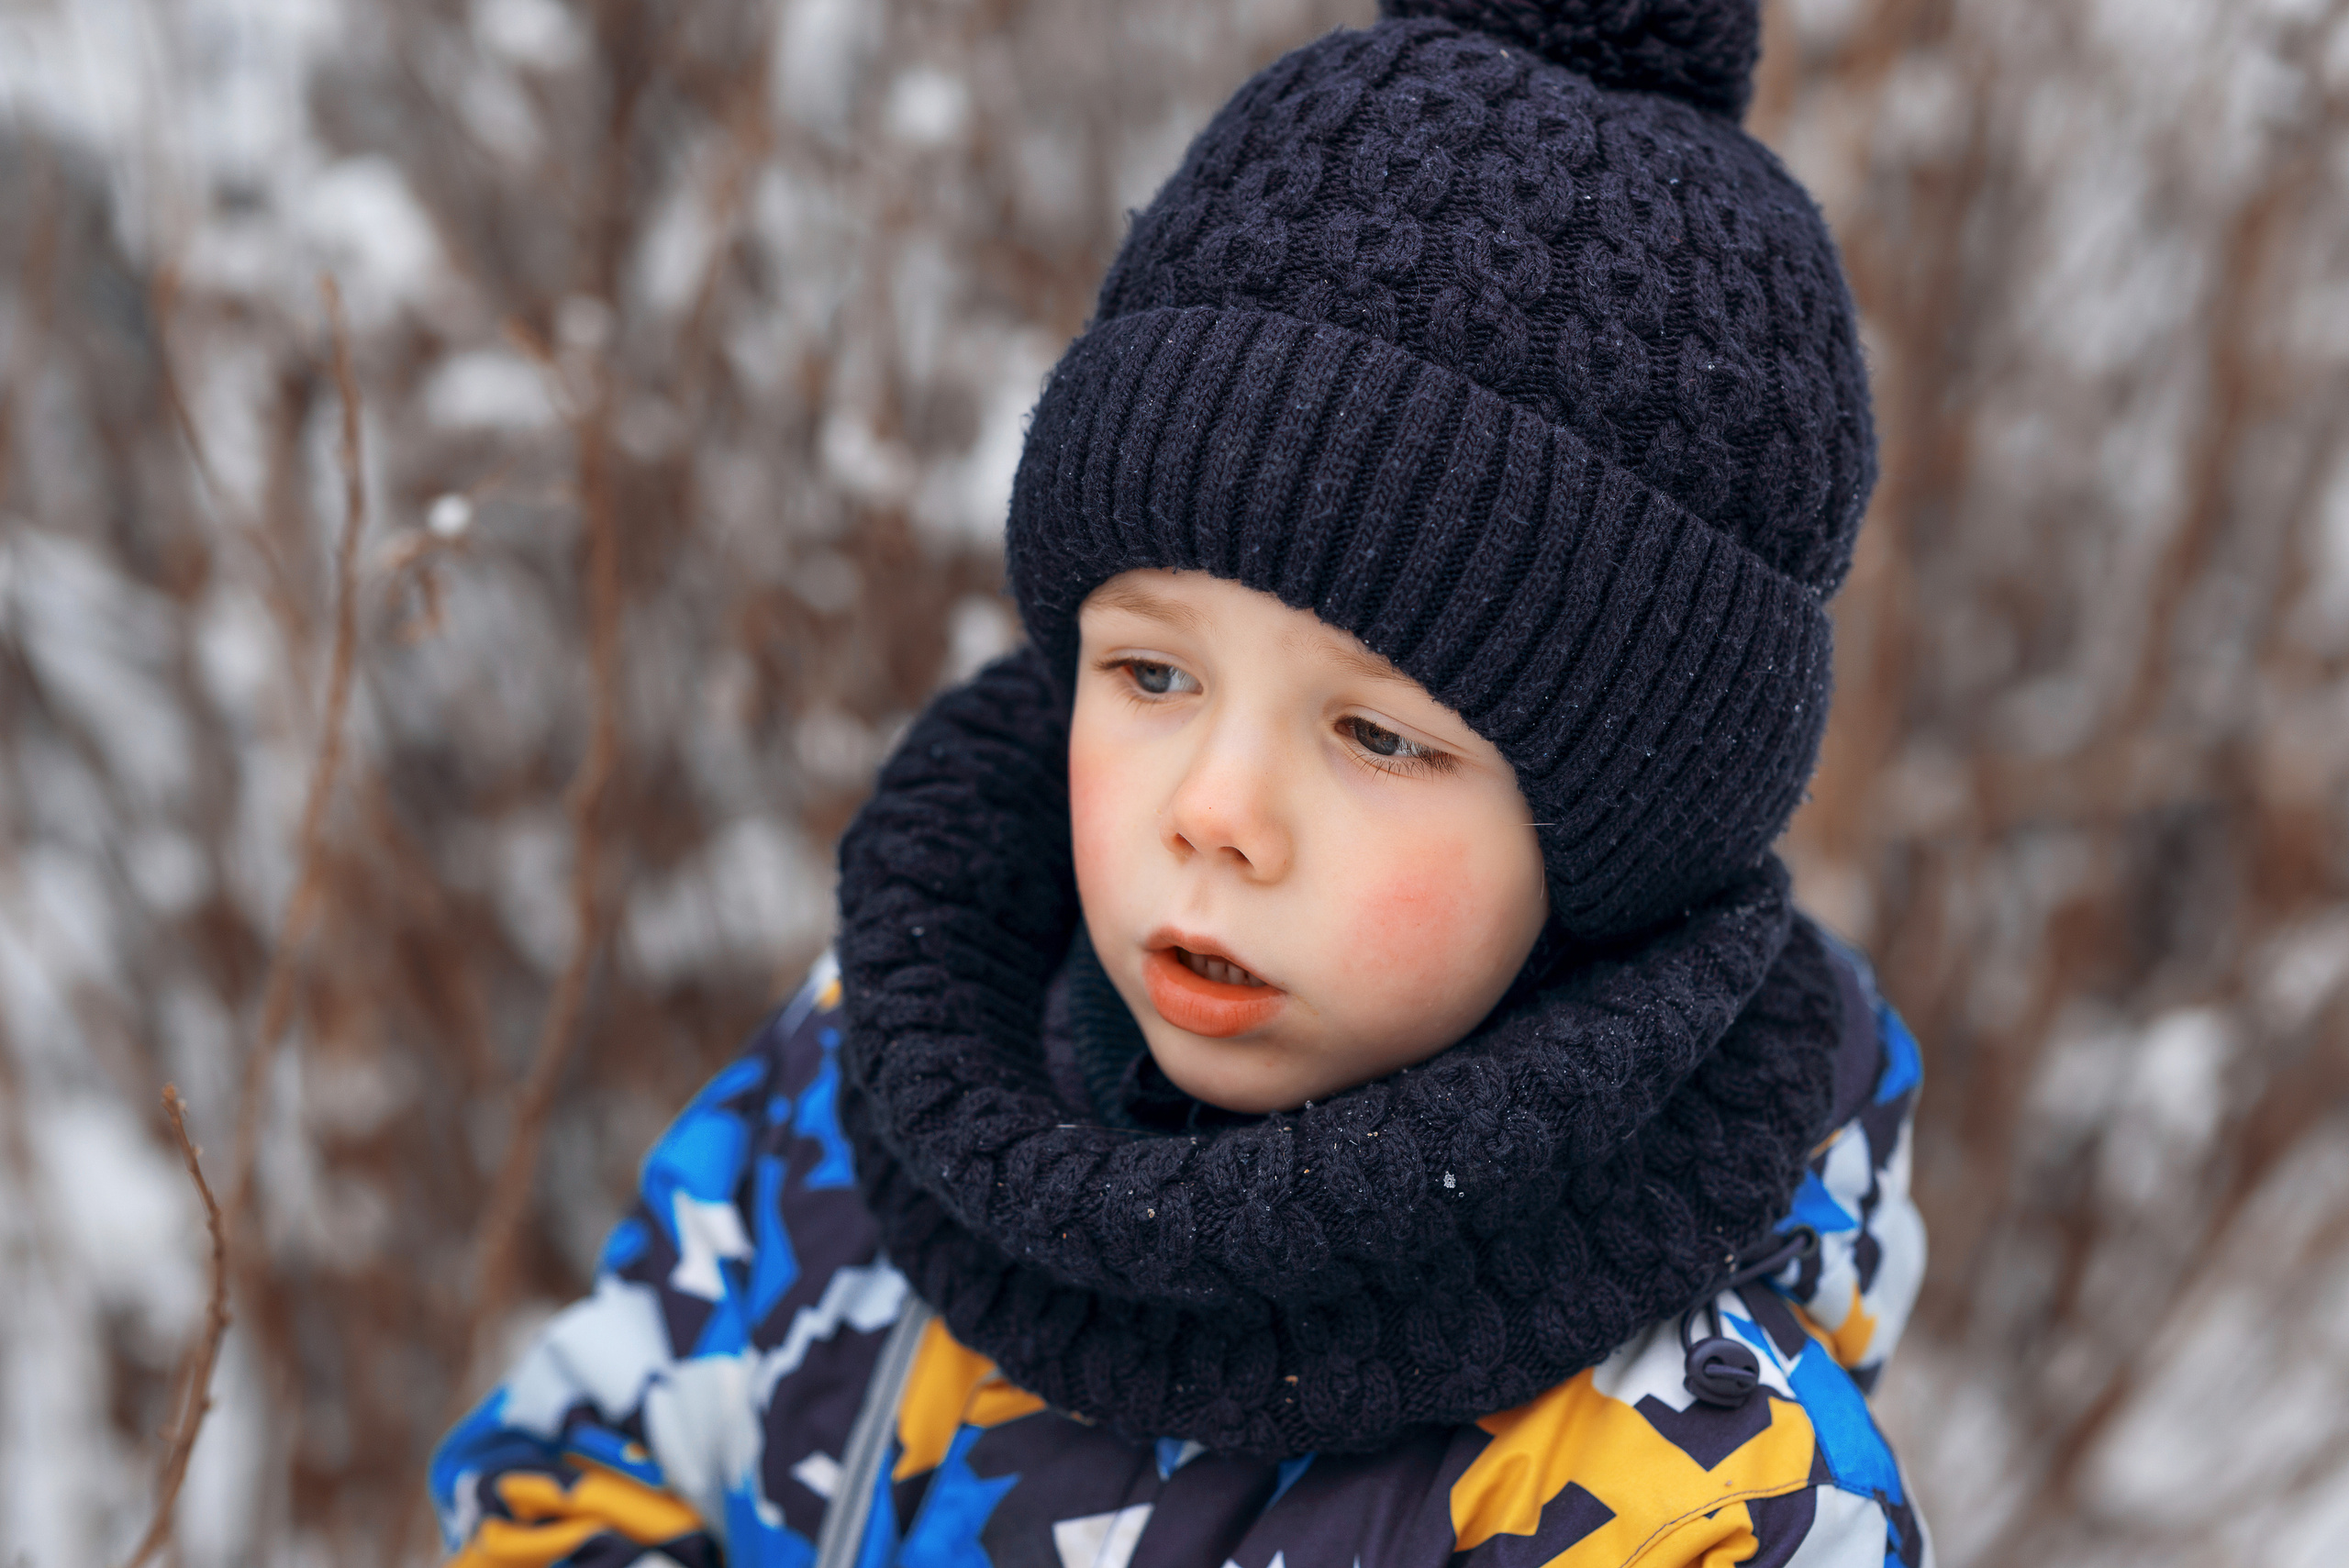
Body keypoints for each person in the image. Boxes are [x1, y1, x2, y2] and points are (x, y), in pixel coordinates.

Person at [430, 1, 1932, 1563]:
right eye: (1154, 675)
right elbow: (570, 1464)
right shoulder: (867, 1079)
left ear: (1615, 844)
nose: (1215, 811)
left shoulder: (1681, 1495)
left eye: (1378, 736)